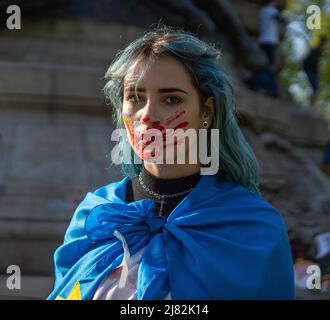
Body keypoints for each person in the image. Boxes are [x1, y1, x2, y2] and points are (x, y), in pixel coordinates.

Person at [47, 27, 295, 300]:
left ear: (207, 112)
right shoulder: (94, 215)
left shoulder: (255, 227)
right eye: (135, 97)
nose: (148, 115)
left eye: (171, 99)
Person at [244, 0, 286, 98]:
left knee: (264, 65)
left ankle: (258, 85)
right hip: (270, 41)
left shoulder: (262, 10)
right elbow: (281, 19)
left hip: (262, 40)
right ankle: (266, 88)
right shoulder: (271, 10)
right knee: (269, 67)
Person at [303, 36, 327, 106]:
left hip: (308, 69)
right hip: (309, 69)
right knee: (316, 89)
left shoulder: (316, 49)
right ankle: (311, 105)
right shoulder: (318, 50)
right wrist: (316, 72)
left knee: (315, 89)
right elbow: (314, 62)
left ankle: (311, 104)